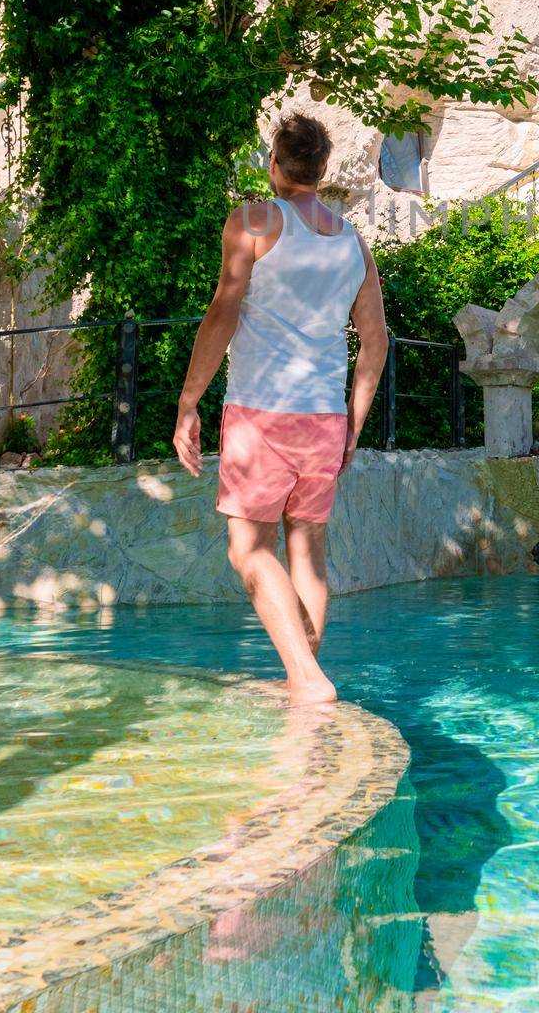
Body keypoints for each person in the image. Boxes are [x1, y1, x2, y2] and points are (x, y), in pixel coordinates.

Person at [172, 113, 388, 704]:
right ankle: (302, 674)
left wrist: (189, 401)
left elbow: (222, 312)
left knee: (249, 550)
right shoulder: (352, 242)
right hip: (324, 419)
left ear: (275, 163)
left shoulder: (253, 222)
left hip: (262, 413)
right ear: (320, 171)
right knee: (308, 554)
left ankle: (308, 678)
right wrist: (354, 423)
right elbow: (376, 342)